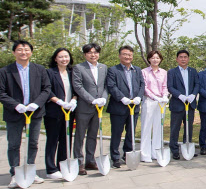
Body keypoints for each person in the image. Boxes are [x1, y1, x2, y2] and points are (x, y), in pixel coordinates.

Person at [0, 41, 51, 187]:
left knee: (33, 143)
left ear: (31, 52)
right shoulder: (5, 71)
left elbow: (46, 89)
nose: (24, 52)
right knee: (14, 144)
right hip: (14, 113)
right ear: (14, 52)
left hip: (34, 112)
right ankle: (15, 174)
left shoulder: (39, 69)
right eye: (20, 50)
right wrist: (16, 105)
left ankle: (30, 171)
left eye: (26, 50)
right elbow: (1, 93)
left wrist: (37, 103)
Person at [106, 46, 145, 168]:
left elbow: (142, 85)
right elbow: (111, 86)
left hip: (134, 107)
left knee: (131, 133)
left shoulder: (137, 70)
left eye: (130, 55)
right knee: (117, 133)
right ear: (120, 56)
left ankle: (127, 154)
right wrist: (122, 98)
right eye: (125, 54)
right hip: (119, 107)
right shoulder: (113, 70)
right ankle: (115, 157)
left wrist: (139, 97)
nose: (127, 57)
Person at [72, 43, 109, 175]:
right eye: (90, 52)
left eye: (95, 52)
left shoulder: (103, 67)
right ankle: (78, 161)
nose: (93, 55)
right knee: (80, 135)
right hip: (84, 107)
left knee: (93, 135)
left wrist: (103, 98)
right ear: (85, 54)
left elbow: (105, 86)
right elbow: (78, 86)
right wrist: (92, 100)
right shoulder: (78, 68)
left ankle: (90, 160)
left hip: (98, 108)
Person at [44, 48, 78, 179]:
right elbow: (47, 89)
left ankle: (62, 165)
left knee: (66, 138)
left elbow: (77, 88)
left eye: (66, 56)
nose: (64, 59)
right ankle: (50, 169)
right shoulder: (49, 73)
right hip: (54, 110)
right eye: (61, 57)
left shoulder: (72, 72)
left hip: (69, 110)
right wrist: (59, 102)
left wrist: (73, 100)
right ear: (55, 59)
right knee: (53, 139)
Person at [167, 49, 200, 159]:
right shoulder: (172, 72)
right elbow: (170, 87)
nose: (183, 59)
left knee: (189, 128)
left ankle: (187, 148)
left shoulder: (193, 71)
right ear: (177, 59)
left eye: (185, 57)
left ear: (188, 59)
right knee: (175, 128)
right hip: (177, 104)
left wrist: (193, 95)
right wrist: (180, 95)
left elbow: (197, 85)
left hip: (190, 104)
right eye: (181, 57)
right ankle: (174, 150)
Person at [140, 50, 169, 162]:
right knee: (146, 127)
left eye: (157, 58)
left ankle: (156, 152)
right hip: (149, 100)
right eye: (153, 58)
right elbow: (145, 87)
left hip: (161, 102)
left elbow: (165, 86)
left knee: (158, 127)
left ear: (160, 59)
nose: (155, 60)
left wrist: (165, 96)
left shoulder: (164, 72)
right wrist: (154, 97)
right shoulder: (144, 72)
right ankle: (145, 154)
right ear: (149, 59)